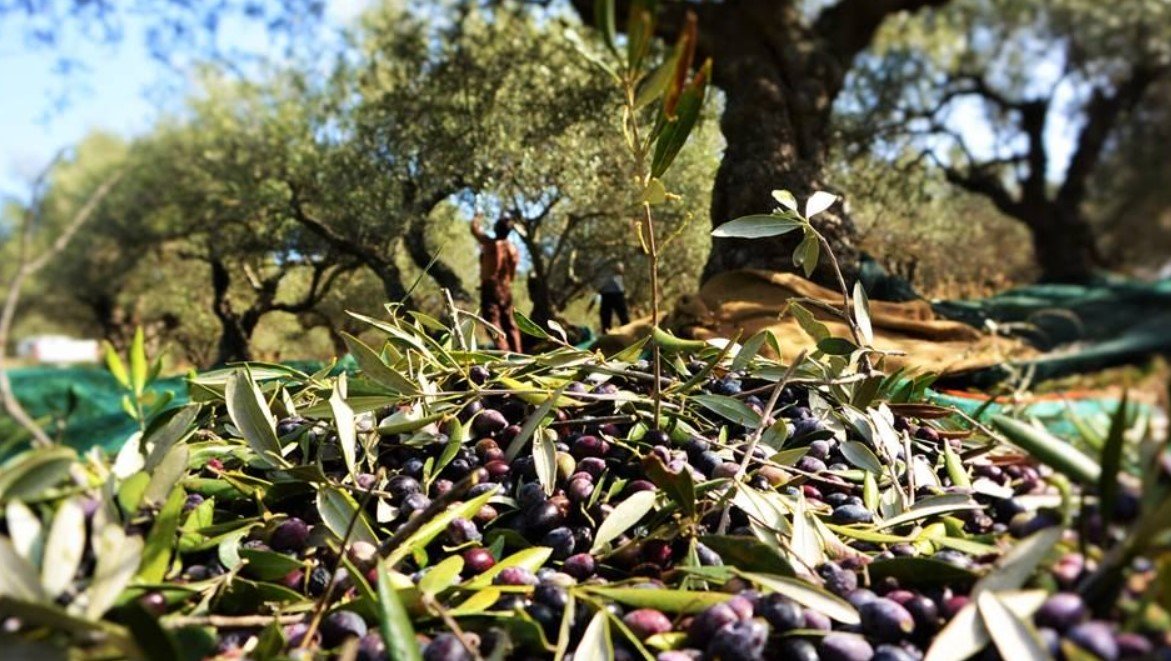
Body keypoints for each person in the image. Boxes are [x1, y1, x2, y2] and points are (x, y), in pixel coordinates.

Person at [471, 212, 523, 352]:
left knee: (492, 323)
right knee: (510, 324)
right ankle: (520, 356)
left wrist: (477, 217)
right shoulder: (513, 250)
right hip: (506, 289)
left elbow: (475, 230)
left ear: (496, 229)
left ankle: (506, 354)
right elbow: (512, 273)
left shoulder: (491, 244)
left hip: (490, 287)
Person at [593, 262, 630, 333]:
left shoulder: (614, 260)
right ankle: (607, 335)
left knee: (623, 317)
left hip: (616, 293)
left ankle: (627, 332)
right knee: (606, 320)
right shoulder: (600, 264)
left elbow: (620, 269)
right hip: (607, 294)